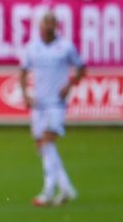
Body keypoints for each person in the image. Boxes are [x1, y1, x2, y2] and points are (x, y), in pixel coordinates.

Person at [20, 11, 86, 207]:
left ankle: (48, 191)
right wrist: (25, 94)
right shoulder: (32, 48)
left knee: (48, 141)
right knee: (42, 147)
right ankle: (66, 188)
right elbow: (23, 71)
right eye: (45, 23)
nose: (48, 27)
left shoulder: (65, 47)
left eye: (51, 23)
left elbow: (81, 67)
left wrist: (70, 84)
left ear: (56, 26)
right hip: (38, 104)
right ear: (40, 26)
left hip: (56, 104)